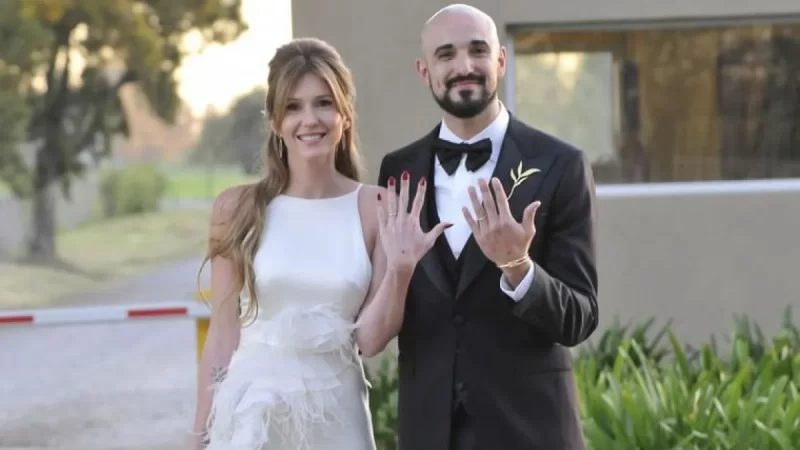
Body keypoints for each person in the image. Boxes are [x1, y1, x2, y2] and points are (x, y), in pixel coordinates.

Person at [190, 37, 449, 450]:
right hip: (253, 420)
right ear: (275, 121)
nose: (309, 119)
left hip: (339, 421)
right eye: (293, 107)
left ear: (345, 114)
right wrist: (198, 439)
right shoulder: (236, 208)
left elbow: (369, 341)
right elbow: (222, 337)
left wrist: (400, 274)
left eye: (323, 103)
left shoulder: (378, 207)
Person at [377, 4, 599, 450]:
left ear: (500, 60)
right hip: (430, 432)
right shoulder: (398, 170)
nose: (464, 66)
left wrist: (519, 267)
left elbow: (580, 318)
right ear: (425, 71)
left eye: (478, 50)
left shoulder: (560, 164)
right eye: (446, 54)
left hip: (530, 431)